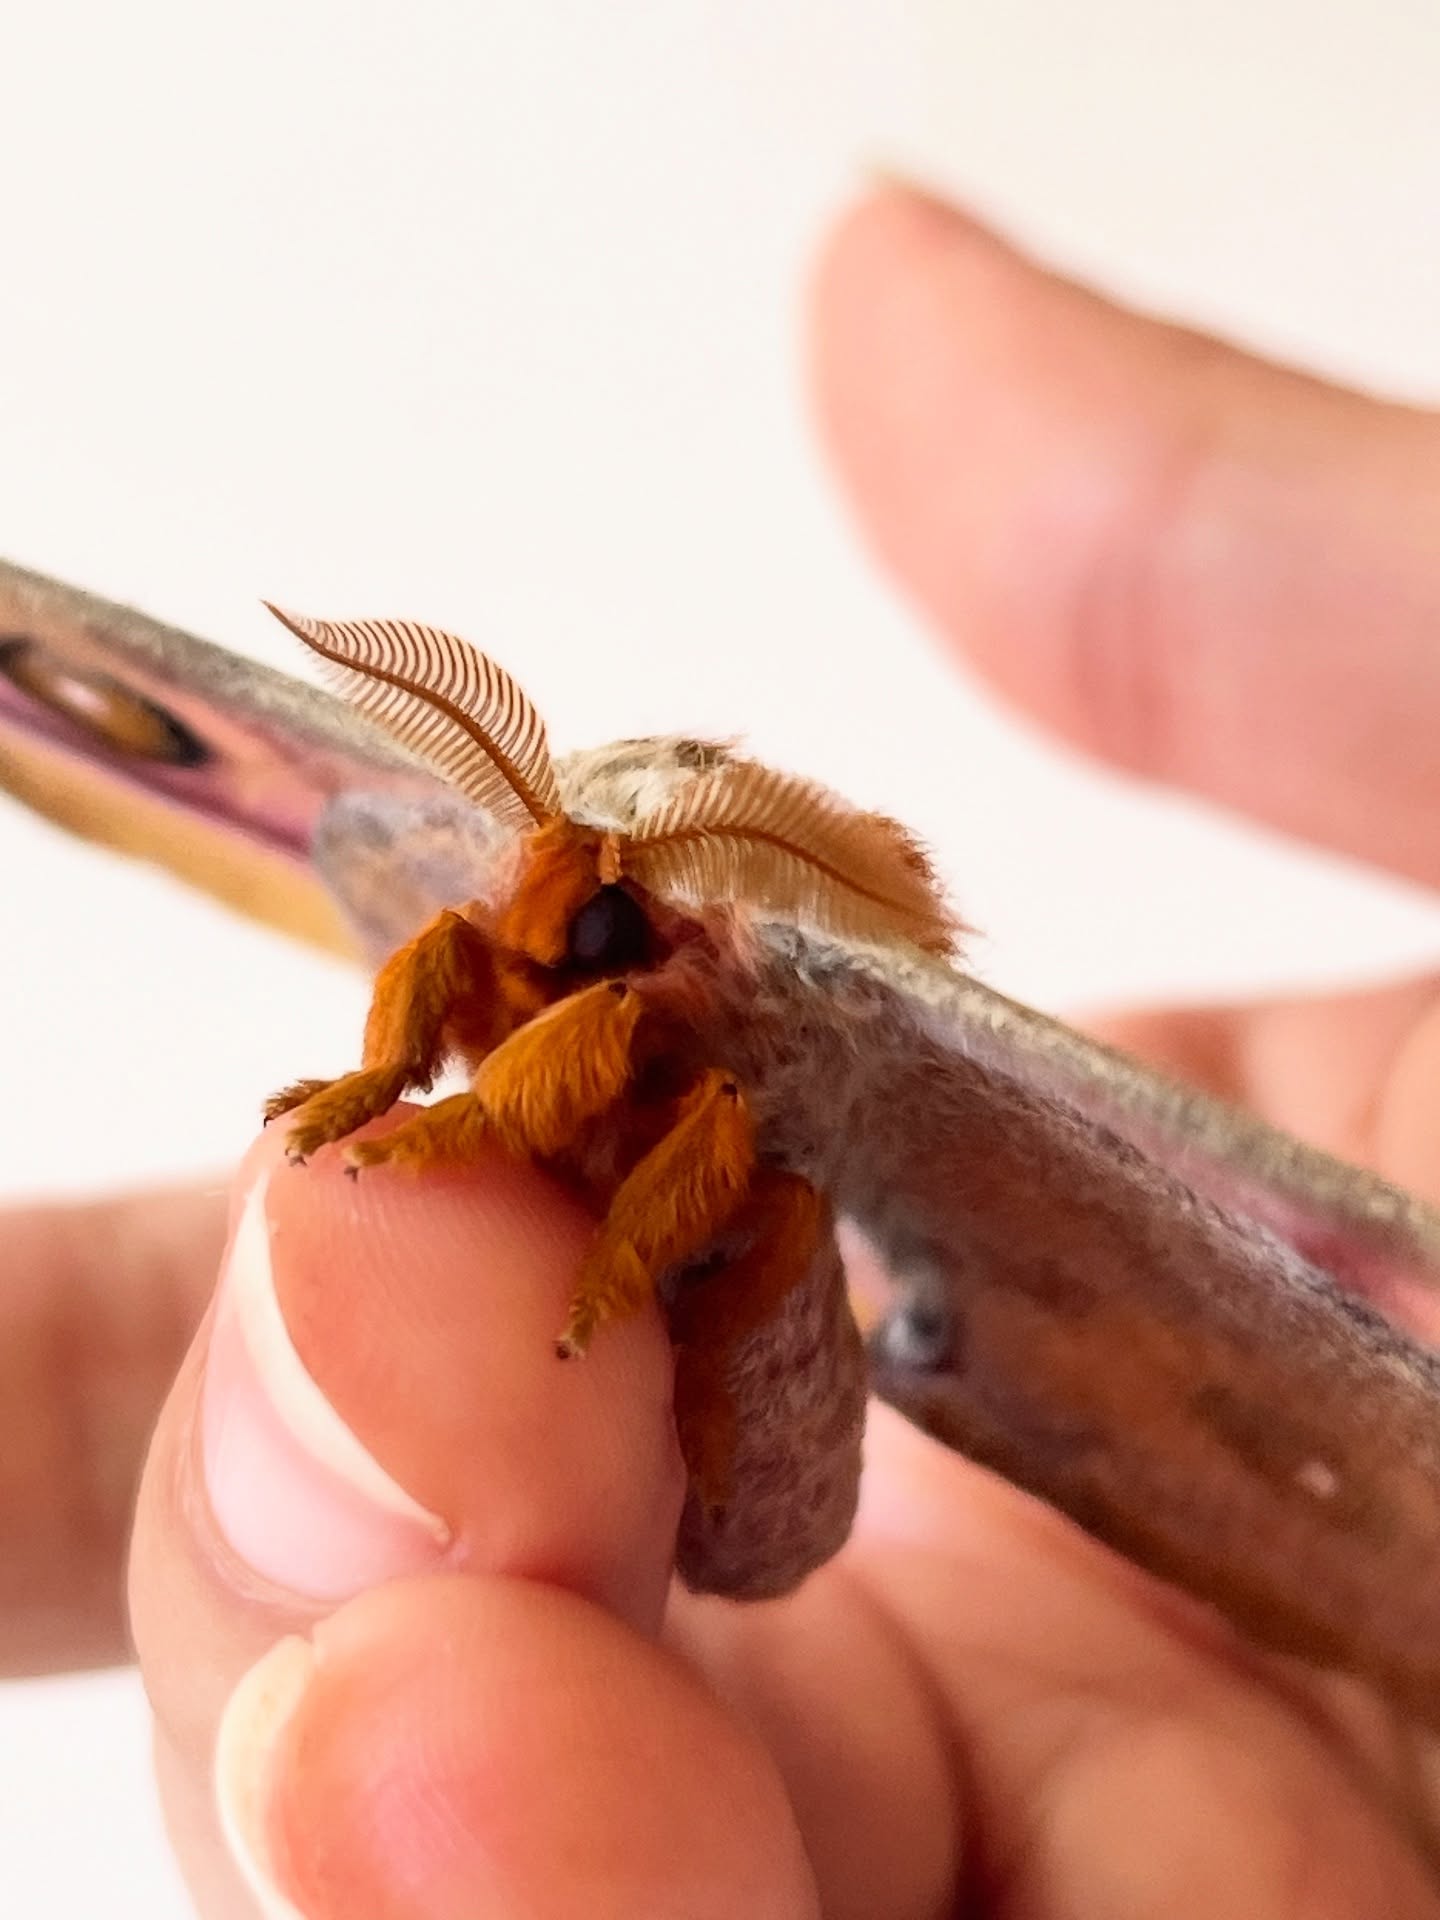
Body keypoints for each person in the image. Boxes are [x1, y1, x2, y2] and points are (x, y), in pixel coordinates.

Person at [9, 182, 1440, 1918]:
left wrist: (608, 1258)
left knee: (739, 1178)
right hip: (610, 1429)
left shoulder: (686, 1013)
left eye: (596, 928)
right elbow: (477, 955)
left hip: (757, 1402)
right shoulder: (508, 940)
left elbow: (668, 1074)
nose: (543, 955)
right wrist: (395, 1090)